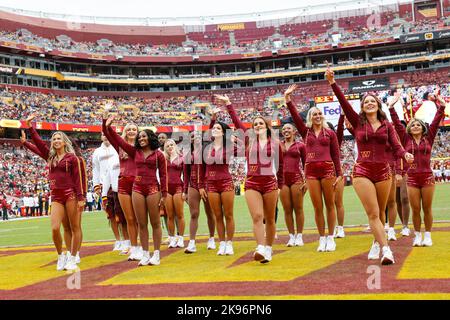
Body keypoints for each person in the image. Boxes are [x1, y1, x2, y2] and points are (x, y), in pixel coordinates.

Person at [326, 65, 413, 265]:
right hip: (362, 171)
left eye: (373, 101)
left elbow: (397, 147)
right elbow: (343, 102)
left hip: (384, 171)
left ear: (378, 105)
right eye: (366, 102)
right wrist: (332, 82)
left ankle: (376, 241)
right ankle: (386, 250)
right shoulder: (357, 122)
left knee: (380, 212)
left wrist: (405, 154)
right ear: (363, 107)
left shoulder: (387, 125)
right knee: (373, 212)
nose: (370, 104)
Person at [218, 93, 283, 263]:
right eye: (255, 124)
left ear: (267, 126)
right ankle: (260, 247)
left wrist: (281, 185)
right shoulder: (249, 140)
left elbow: (281, 166)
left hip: (270, 183)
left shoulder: (275, 144)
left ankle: (268, 249)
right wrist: (229, 104)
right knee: (257, 216)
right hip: (252, 183)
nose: (258, 125)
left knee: (270, 218)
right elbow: (238, 123)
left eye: (261, 123)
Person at [104, 114, 167, 266]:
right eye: (140, 137)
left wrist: (164, 194)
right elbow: (119, 141)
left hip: (153, 188)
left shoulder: (159, 155)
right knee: (141, 222)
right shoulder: (135, 152)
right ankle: (145, 254)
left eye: (144, 136)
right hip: (137, 188)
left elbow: (163, 175)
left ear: (150, 138)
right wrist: (109, 126)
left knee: (155, 222)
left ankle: (156, 254)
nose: (141, 139)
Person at [285, 84, 342, 252]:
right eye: (314, 114)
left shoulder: (330, 133)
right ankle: (322, 238)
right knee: (317, 207)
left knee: (330, 204)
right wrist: (288, 99)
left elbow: (336, 154)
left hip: (327, 170)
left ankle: (331, 237)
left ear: (322, 116)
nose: (317, 116)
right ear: (310, 117)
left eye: (319, 114)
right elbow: (295, 116)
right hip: (310, 172)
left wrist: (339, 173)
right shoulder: (305, 131)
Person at [23, 116, 85, 271]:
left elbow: (78, 179)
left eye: (59, 138)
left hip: (71, 194)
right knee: (55, 227)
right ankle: (61, 255)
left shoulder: (72, 158)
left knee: (75, 227)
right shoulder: (50, 157)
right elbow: (38, 145)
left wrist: (81, 198)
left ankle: (73, 256)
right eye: (53, 139)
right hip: (56, 196)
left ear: (64, 142)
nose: (56, 141)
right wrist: (30, 127)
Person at [388, 92, 447, 247]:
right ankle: (418, 235)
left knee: (427, 208)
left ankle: (428, 235)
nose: (415, 126)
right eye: (412, 124)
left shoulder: (430, 137)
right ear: (409, 128)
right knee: (415, 209)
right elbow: (396, 122)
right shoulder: (405, 138)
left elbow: (436, 120)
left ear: (422, 128)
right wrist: (391, 107)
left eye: (418, 124)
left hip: (427, 177)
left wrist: (441, 105)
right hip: (412, 178)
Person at [102, 116, 142, 261]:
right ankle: (134, 247)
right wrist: (105, 121)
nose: (131, 131)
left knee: (140, 219)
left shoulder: (142, 146)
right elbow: (107, 133)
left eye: (134, 129)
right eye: (129, 129)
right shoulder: (120, 146)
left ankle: (142, 247)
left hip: (139, 183)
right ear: (124, 132)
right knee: (129, 218)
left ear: (138, 132)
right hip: (123, 184)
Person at [204, 111, 241, 255]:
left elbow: (246, 148)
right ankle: (222, 243)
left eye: (219, 128)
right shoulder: (207, 145)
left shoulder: (229, 146)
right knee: (217, 215)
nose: (215, 130)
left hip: (225, 182)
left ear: (224, 132)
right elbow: (208, 132)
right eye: (214, 128)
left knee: (228, 215)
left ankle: (230, 243)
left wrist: (235, 139)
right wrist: (213, 120)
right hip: (211, 184)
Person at [92, 133, 130, 255]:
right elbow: (95, 169)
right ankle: (118, 240)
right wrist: (96, 184)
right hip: (105, 184)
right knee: (111, 215)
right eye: (103, 135)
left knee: (124, 214)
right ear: (101, 137)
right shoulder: (97, 152)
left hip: (119, 182)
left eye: (107, 134)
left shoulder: (117, 148)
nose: (106, 137)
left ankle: (128, 240)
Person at [183, 130, 216, 254]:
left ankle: (212, 238)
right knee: (194, 214)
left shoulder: (206, 150)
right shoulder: (187, 153)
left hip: (207, 184)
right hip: (192, 185)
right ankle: (192, 242)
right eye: (191, 136)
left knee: (210, 212)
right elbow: (185, 173)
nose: (194, 138)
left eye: (197, 136)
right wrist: (185, 190)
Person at [279, 122, 307, 247]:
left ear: (294, 131)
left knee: (298, 208)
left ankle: (299, 236)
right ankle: (291, 236)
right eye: (284, 129)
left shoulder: (300, 145)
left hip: (297, 178)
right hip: (282, 180)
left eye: (288, 128)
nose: (286, 130)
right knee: (287, 209)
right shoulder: (278, 146)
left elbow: (307, 163)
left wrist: (306, 180)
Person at [163, 139, 186, 249]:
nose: (170, 147)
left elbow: (185, 176)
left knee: (180, 214)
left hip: (178, 187)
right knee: (170, 215)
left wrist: (185, 191)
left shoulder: (182, 158)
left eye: (172, 145)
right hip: (167, 189)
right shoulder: (163, 159)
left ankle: (181, 238)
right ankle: (172, 238)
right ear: (165, 148)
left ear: (175, 146)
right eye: (167, 146)